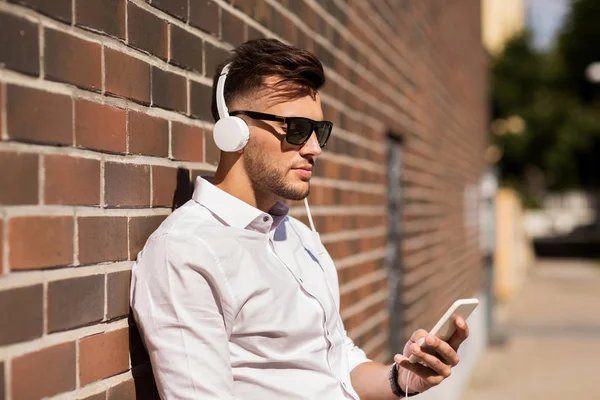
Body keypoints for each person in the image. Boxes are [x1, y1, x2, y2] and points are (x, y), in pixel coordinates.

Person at [130, 38, 469, 399]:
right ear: (235, 130)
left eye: (319, 131)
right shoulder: (186, 252)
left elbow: (337, 364)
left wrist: (402, 379)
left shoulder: (300, 238)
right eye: (296, 128)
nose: (314, 148)